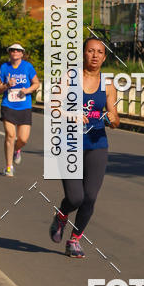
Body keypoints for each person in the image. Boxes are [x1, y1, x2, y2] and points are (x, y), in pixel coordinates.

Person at [48, 37, 120, 257]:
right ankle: (62, 215)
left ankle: (75, 240)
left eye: (100, 52)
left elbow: (116, 119)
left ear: (105, 57)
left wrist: (110, 118)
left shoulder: (108, 84)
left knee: (90, 197)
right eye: (90, 51)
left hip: (97, 144)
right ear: (83, 54)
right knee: (75, 198)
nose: (95, 55)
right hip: (68, 144)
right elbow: (54, 109)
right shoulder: (68, 79)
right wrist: (72, 115)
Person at [0, 43, 40, 177]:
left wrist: (27, 90)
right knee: (10, 135)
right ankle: (9, 166)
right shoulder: (4, 67)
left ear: (22, 53)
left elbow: (36, 83)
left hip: (24, 106)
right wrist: (6, 85)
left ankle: (17, 150)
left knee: (23, 139)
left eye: (18, 50)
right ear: (9, 53)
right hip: (8, 105)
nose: (15, 52)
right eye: (12, 50)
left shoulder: (27, 67)